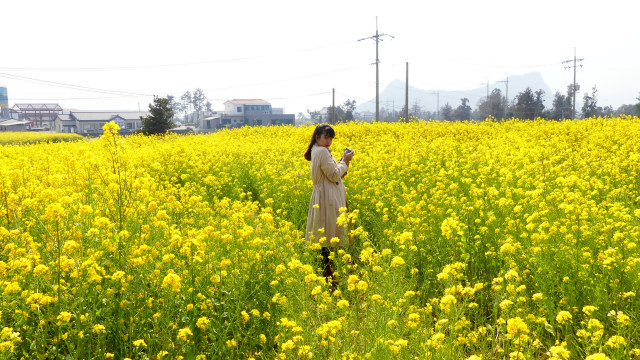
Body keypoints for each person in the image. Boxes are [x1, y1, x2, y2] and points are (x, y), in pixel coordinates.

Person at [304, 124, 354, 279]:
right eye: (326, 137)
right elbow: (333, 175)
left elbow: (334, 174)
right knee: (327, 235)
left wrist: (343, 163)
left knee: (324, 233)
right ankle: (328, 275)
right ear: (317, 137)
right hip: (327, 198)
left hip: (326, 195)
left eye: (331, 138)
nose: (329, 141)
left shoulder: (317, 151)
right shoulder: (322, 152)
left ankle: (326, 273)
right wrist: (345, 161)